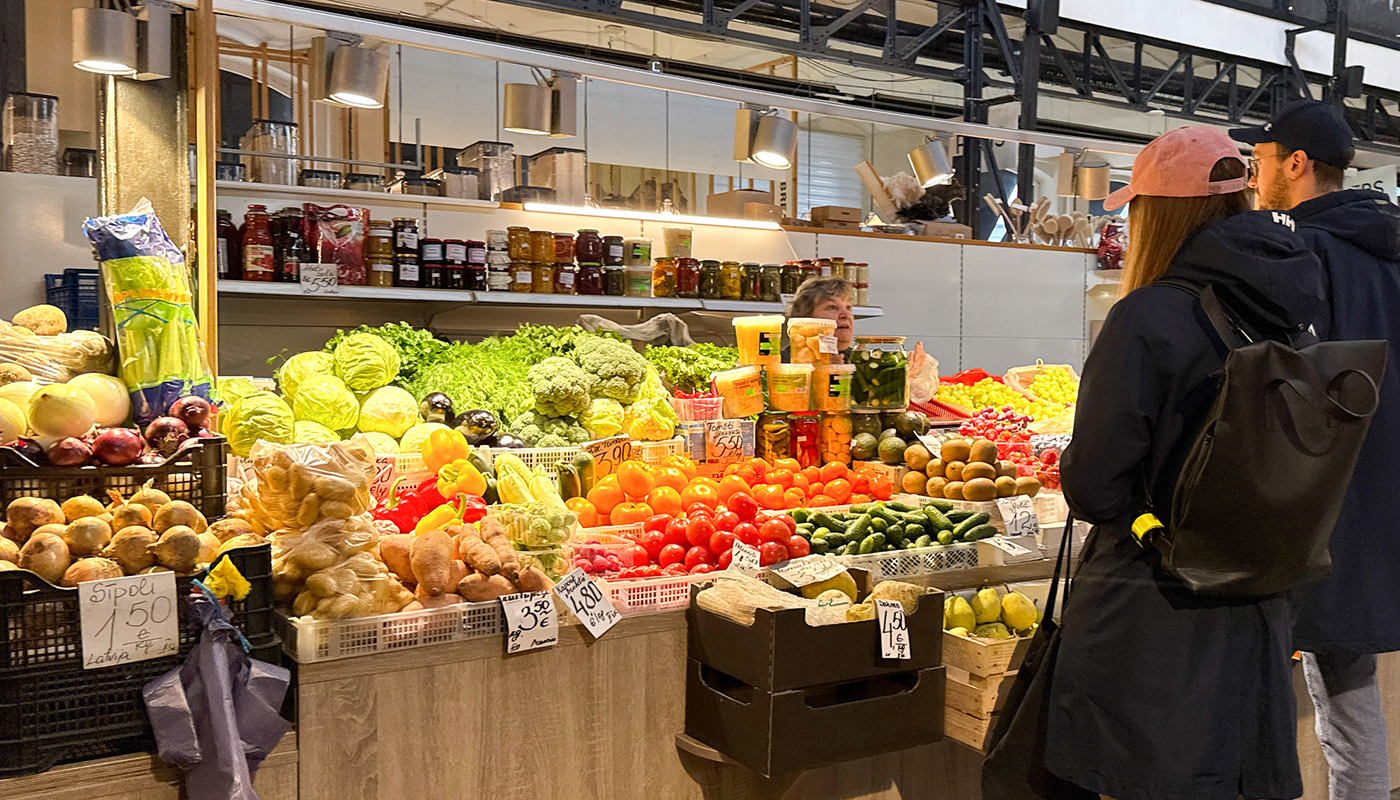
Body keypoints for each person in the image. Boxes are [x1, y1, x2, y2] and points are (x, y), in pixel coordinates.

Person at [1046, 126, 1322, 800]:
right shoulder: (1293, 309)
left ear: (1156, 214)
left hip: (1154, 614)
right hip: (1257, 601)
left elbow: (1095, 484)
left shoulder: (1148, 317)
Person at [1232, 99, 1399, 800]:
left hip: (1311, 505)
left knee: (1273, 693)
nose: (1251, 173)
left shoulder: (1295, 249)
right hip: (1377, 498)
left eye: (1260, 159)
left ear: (1295, 164)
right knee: (1348, 690)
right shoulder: (1388, 250)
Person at [786, 277, 856, 360]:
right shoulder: (784, 362)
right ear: (806, 316)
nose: (845, 315)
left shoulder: (860, 361)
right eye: (832, 307)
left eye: (848, 307)